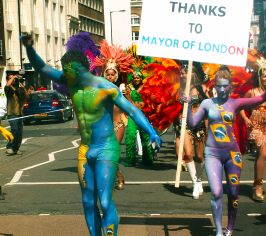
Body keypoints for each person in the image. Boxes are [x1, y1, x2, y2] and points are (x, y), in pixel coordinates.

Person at [21, 33, 161, 236]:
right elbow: (42, 67)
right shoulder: (71, 82)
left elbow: (131, 111)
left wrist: (151, 131)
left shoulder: (105, 87)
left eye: (68, 72)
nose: (64, 76)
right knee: (88, 201)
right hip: (85, 150)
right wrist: (29, 48)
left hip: (106, 148)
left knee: (104, 201)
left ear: (78, 69)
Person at [186, 66, 266, 236]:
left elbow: (262, 97)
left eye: (225, 86)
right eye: (219, 86)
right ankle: (219, 231)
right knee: (216, 192)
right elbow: (192, 124)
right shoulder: (207, 104)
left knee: (233, 193)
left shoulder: (236, 103)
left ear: (230, 86)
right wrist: (189, 106)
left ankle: (230, 227)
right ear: (214, 85)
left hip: (232, 154)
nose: (221, 89)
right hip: (212, 153)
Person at [92, 40, 134, 191]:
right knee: (105, 155)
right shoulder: (100, 89)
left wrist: (127, 96)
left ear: (116, 75)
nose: (110, 77)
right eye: (107, 74)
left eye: (112, 74)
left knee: (112, 153)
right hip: (104, 126)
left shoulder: (122, 89)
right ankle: (117, 174)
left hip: (119, 124)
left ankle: (117, 177)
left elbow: (131, 108)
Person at [240, 61, 266, 202]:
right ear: (259, 77)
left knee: (261, 155)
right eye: (264, 76)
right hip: (256, 126)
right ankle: (258, 186)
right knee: (263, 153)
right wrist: (246, 118)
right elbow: (240, 105)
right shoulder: (252, 92)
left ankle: (256, 183)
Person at [175, 65, 208, 199]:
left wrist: (208, 127)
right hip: (184, 125)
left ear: (192, 74)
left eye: (185, 73)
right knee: (188, 154)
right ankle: (195, 183)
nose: (182, 75)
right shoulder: (179, 90)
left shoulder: (202, 89)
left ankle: (198, 179)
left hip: (199, 125)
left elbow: (208, 109)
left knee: (199, 157)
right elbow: (173, 109)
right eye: (181, 73)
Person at [4, 74, 28, 155]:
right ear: (8, 80)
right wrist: (14, 77)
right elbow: (7, 86)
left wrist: (22, 84)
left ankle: (16, 148)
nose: (13, 80)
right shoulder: (8, 89)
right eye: (11, 78)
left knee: (19, 132)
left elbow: (26, 96)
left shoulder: (18, 89)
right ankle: (9, 147)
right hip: (12, 113)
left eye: (14, 79)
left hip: (20, 113)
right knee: (14, 130)